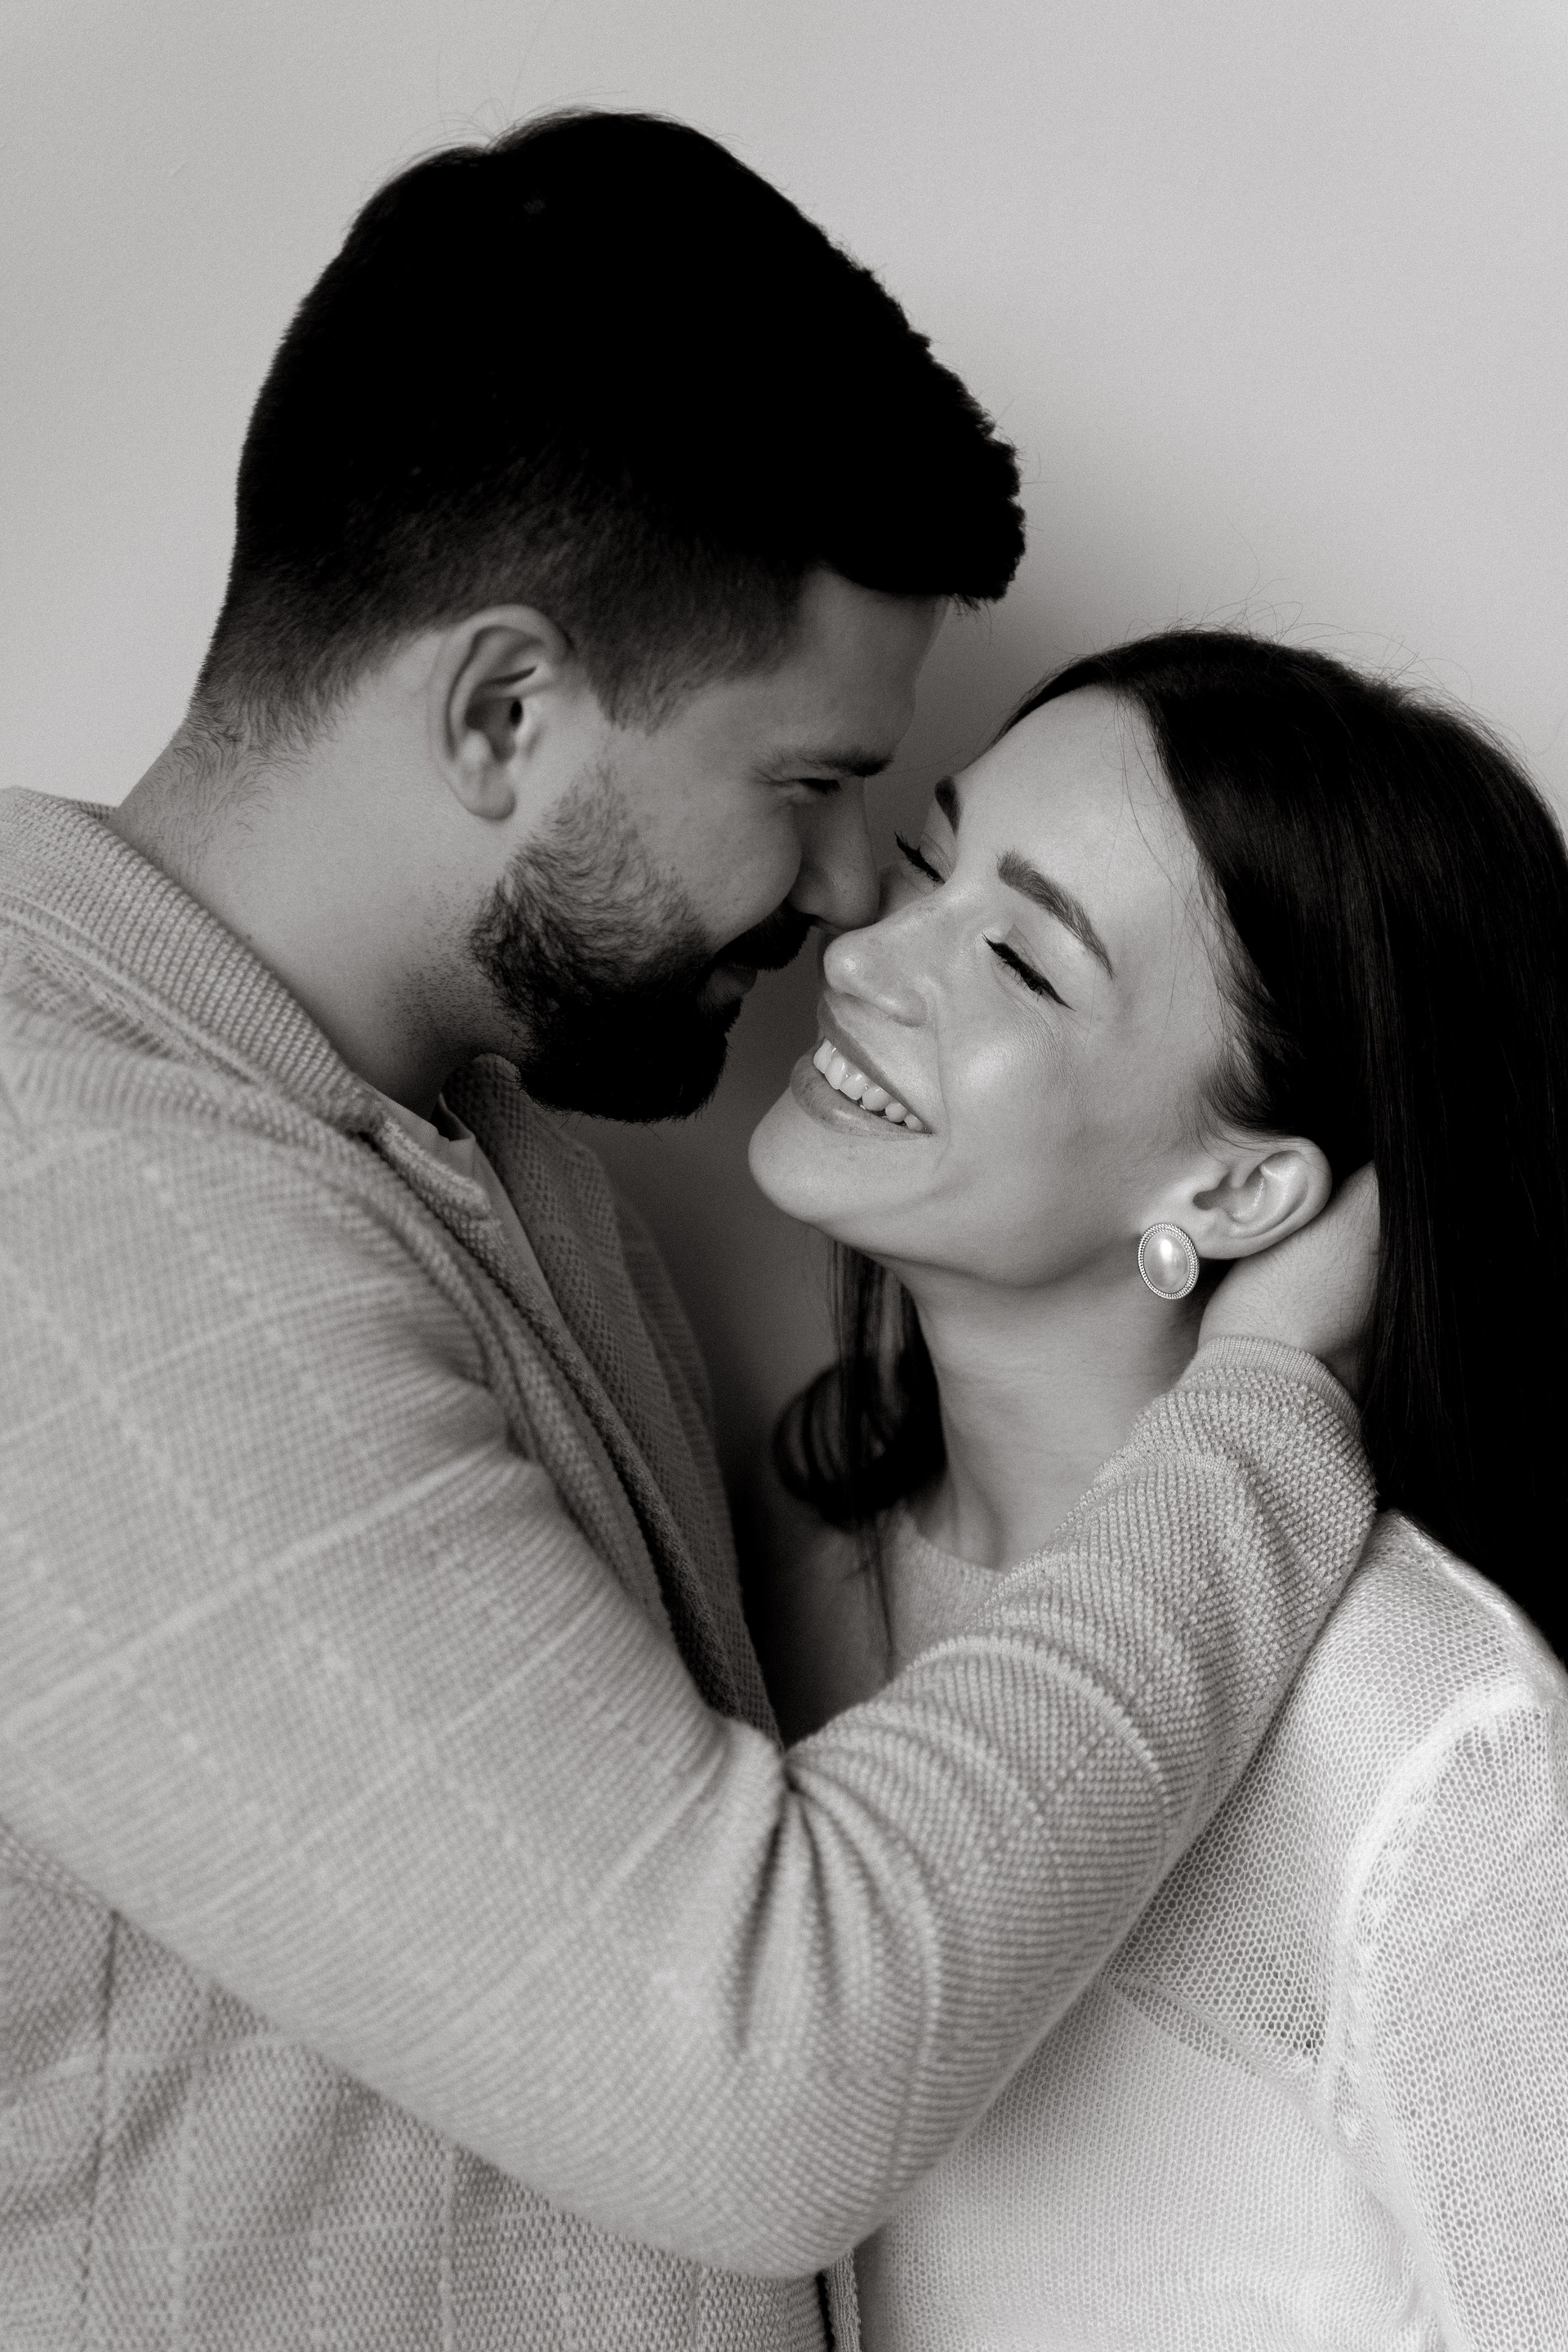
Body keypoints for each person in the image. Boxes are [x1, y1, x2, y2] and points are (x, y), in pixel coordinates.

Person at [0, 115, 1376, 2352]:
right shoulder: (69, 1210)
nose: (846, 898)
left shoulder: (491, 1144)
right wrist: (1268, 1411)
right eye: (813, 787)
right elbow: (764, 2083)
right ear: (504, 712)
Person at [750, 627, 1568, 2349]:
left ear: (1244, 1191)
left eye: (1023, 960)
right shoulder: (784, 1579)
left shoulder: (1431, 1745)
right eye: (929, 863)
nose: (872, 954)